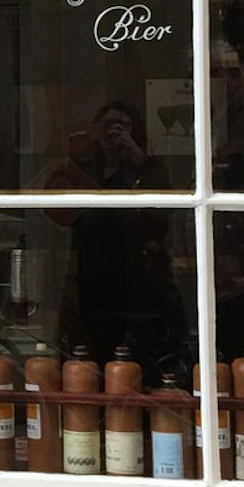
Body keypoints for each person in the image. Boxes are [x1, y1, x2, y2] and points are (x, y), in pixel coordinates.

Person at [41, 101, 187, 371]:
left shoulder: (148, 167)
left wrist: (137, 157)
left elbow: (166, 210)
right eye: (107, 125)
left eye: (123, 126)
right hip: (91, 276)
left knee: (138, 360)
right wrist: (68, 161)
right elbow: (52, 209)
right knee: (93, 354)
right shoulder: (84, 166)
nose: (114, 131)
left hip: (139, 279)